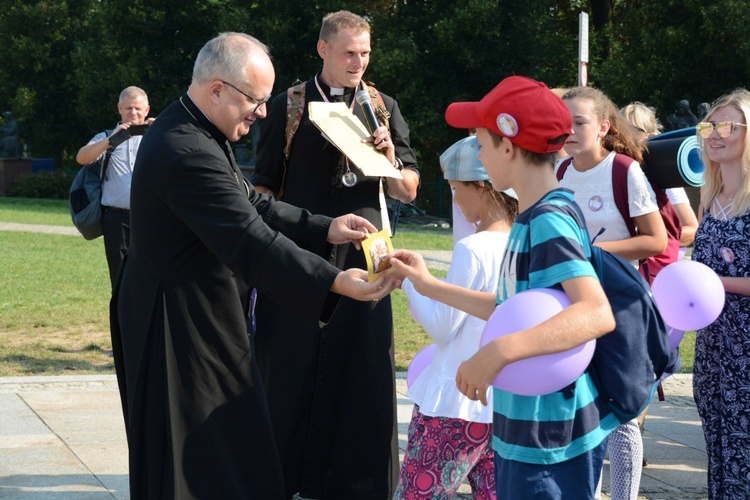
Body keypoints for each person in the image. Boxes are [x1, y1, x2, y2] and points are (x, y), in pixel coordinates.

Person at [111, 32, 398, 499]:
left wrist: (324, 227)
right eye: (255, 99)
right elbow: (251, 238)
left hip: (196, 310)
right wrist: (335, 282)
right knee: (188, 457)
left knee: (229, 449)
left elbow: (251, 205)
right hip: (174, 321)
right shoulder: (186, 149)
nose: (263, 112)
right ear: (216, 90)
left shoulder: (201, 131)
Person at [388, 75, 619, 500]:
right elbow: (506, 306)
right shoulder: (532, 217)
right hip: (525, 422)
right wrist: (428, 285)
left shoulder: (549, 219)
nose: (477, 153)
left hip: (548, 434)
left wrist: (497, 352)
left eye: (480, 142)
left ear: (508, 146)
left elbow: (595, 312)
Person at [251, 10, 419, 499]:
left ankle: (359, 484)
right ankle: (284, 476)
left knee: (363, 364)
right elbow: (263, 185)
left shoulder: (382, 105)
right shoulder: (289, 104)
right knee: (289, 364)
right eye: (349, 52)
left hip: (368, 254)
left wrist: (388, 163)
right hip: (302, 252)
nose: (358, 62)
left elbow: (409, 189)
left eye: (365, 53)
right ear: (323, 49)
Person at [559, 86, 668, 500]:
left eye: (580, 122)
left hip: (621, 306)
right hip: (573, 304)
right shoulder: (560, 173)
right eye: (564, 121)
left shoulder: (624, 170)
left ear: (603, 127)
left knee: (622, 413)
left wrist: (593, 251)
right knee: (583, 410)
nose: (569, 130)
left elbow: (656, 241)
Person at [394, 136, 518, 499]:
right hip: (504, 405)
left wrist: (409, 284)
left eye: (454, 188)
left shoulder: (472, 248)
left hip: (455, 404)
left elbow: (443, 327)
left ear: (480, 186)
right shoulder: (524, 242)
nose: (454, 199)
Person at [692, 89, 750, 499]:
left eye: (728, 125)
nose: (715, 134)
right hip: (713, 349)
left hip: (746, 352)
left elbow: (710, 278)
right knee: (719, 450)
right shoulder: (710, 198)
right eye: (710, 125)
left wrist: (711, 282)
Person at [76, 87, 154, 288]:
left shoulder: (157, 136)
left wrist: (165, 130)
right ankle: (121, 319)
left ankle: (147, 320)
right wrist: (111, 140)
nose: (133, 113)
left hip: (151, 219)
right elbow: (82, 158)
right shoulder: (106, 137)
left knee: (151, 278)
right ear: (119, 108)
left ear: (147, 110)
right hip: (116, 220)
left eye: (138, 108)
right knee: (119, 280)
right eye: (128, 108)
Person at [621, 101, 699, 248]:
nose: (624, 139)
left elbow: (692, 229)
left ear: (650, 136)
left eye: (632, 131)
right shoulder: (610, 170)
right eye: (620, 131)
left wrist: (652, 240)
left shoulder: (664, 177)